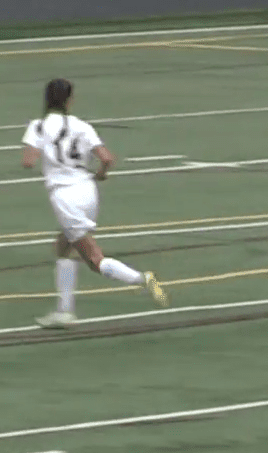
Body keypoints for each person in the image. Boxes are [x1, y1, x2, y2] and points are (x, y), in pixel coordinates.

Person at [21, 78, 169, 327]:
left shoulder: (38, 126)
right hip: (87, 191)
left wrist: (40, 156)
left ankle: (141, 279)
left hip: (64, 195)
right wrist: (100, 174)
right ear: (70, 100)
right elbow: (107, 158)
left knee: (94, 260)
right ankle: (64, 310)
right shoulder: (82, 126)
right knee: (63, 247)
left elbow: (28, 161)